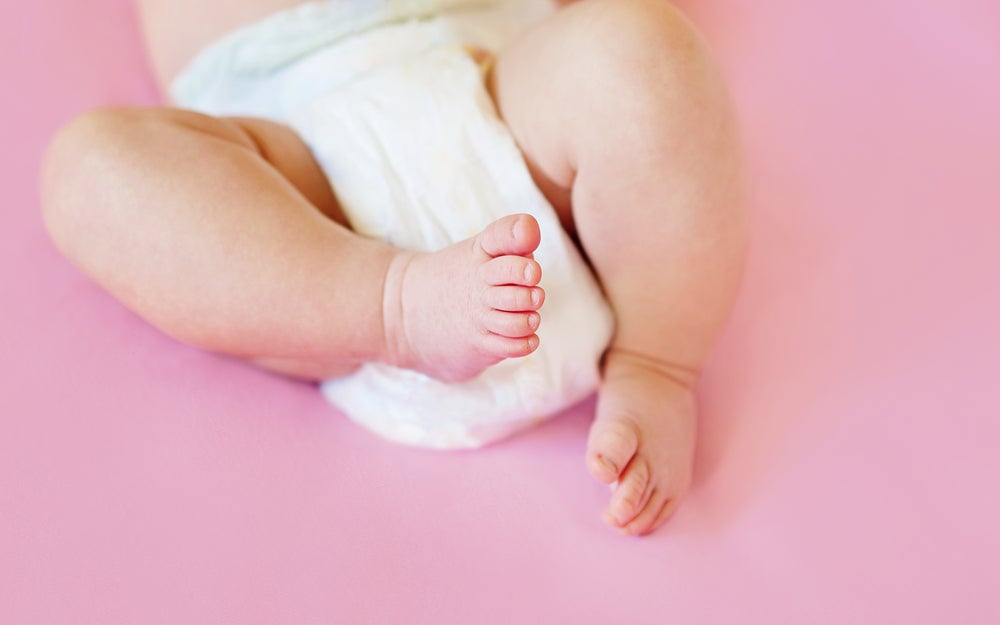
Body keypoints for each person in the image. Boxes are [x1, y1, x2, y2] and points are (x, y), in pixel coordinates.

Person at [40, 0, 746, 535]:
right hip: (293, 189)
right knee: (88, 171)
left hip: (501, 94)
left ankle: (659, 360)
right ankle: (391, 306)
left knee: (645, 49)